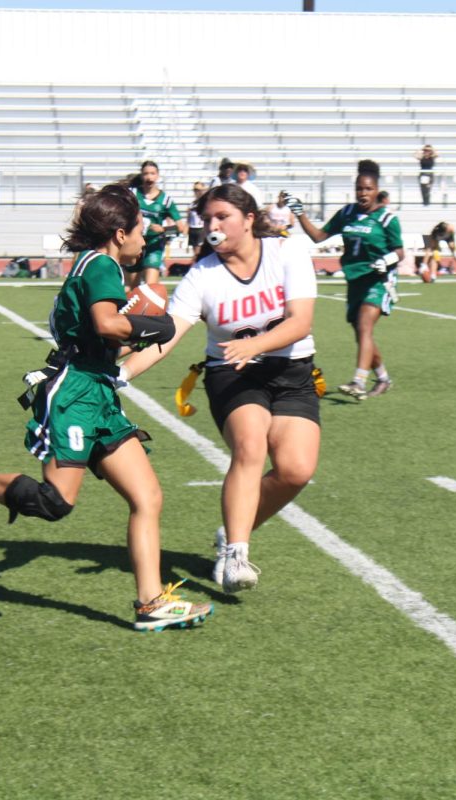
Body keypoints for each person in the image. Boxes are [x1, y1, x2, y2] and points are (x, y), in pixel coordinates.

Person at [0, 184, 210, 632]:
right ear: (119, 232)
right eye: (141, 231)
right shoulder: (105, 265)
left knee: (147, 496)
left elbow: (103, 327)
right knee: (54, 503)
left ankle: (151, 603)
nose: (145, 241)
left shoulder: (96, 263)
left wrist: (145, 324)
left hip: (98, 391)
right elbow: (107, 324)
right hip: (76, 392)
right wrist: (155, 325)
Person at [120, 183, 320, 594]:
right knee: (250, 443)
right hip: (233, 372)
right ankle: (236, 553)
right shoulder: (202, 275)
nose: (213, 226)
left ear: (249, 219)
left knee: (296, 470)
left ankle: (231, 530)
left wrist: (256, 345)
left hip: (292, 370)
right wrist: (120, 374)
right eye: (208, 218)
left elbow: (300, 322)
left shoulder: (288, 252)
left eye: (222, 217)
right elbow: (170, 334)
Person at [287, 159, 402, 399]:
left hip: (377, 280)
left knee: (364, 326)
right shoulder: (347, 213)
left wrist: (387, 259)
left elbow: (400, 251)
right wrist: (300, 215)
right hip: (355, 280)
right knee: (362, 333)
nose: (363, 193)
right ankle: (382, 378)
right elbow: (319, 236)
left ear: (377, 190)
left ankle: (358, 381)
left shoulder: (387, 219)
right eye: (360, 188)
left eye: (368, 189)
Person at [129, 160, 187, 287]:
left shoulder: (165, 200)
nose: (149, 177)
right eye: (146, 174)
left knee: (151, 287)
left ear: (157, 176)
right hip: (134, 245)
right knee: (132, 289)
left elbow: (181, 227)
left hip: (153, 246)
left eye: (152, 173)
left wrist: (163, 230)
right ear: (141, 175)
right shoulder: (132, 194)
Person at [187, 181, 208, 256]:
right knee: (194, 251)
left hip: (201, 229)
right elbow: (188, 217)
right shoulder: (192, 204)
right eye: (195, 190)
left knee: (198, 251)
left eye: (199, 190)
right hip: (193, 228)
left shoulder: (205, 203)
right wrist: (187, 228)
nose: (197, 192)